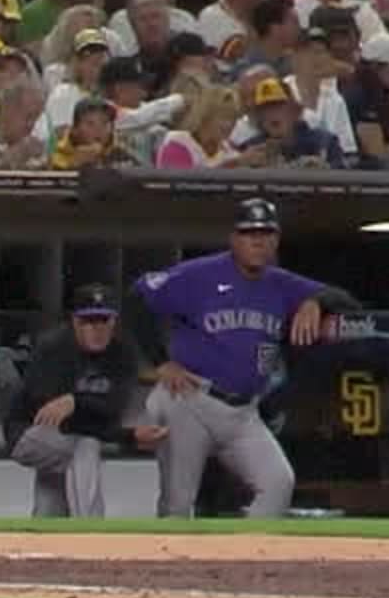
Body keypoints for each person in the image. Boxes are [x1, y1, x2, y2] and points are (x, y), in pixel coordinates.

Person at [123, 197, 359, 518]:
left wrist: (315, 301)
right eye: (249, 233)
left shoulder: (282, 284)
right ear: (234, 238)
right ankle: (168, 554)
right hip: (190, 399)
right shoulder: (199, 274)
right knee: (177, 504)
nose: (258, 241)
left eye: (266, 233)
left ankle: (247, 548)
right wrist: (160, 361)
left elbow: (347, 301)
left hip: (243, 412)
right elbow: (137, 298)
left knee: (278, 483)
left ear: (276, 239)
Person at [9, 284, 163, 517]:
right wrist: (127, 436)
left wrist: (75, 402)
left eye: (103, 320)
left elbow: (111, 410)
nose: (97, 328)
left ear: (113, 322)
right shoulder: (53, 348)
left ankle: (45, 530)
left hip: (71, 438)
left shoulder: (123, 352)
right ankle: (91, 526)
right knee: (84, 446)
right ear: (74, 322)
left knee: (52, 501)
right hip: (28, 433)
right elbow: (55, 419)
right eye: (88, 321)